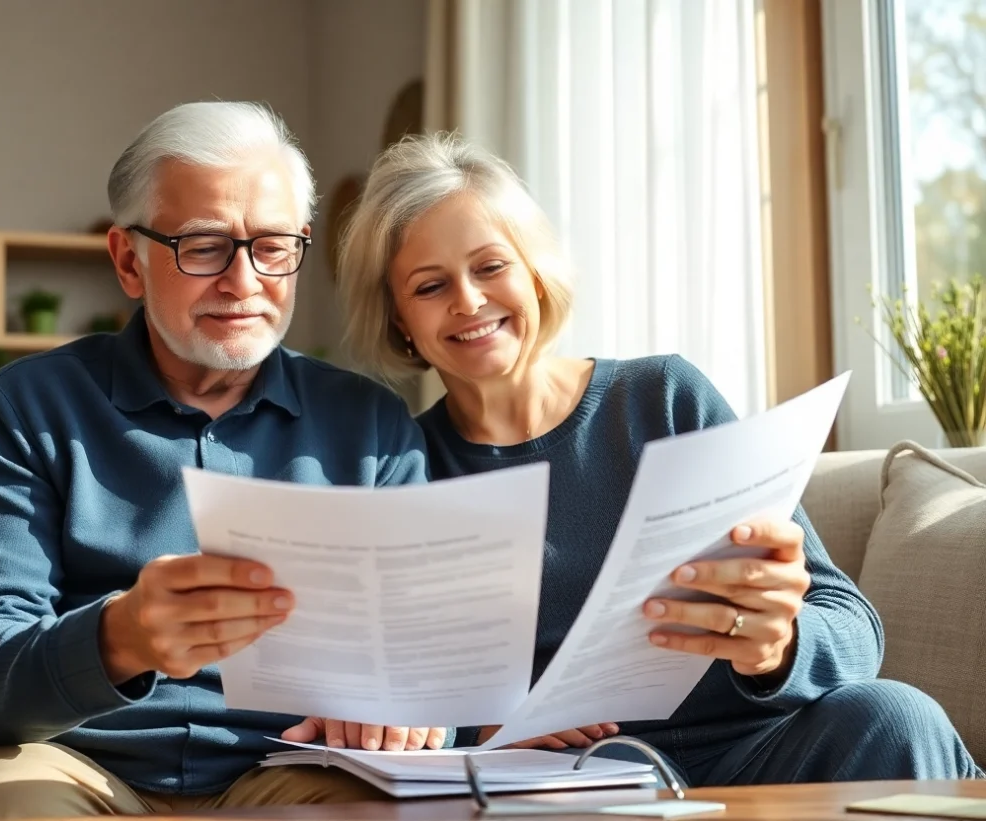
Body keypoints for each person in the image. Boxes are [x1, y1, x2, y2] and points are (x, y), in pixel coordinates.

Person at [336, 131, 985, 785]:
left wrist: (781, 646)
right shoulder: (403, 466)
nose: (469, 300)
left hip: (763, 743)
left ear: (534, 273)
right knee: (607, 779)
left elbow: (850, 625)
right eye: (429, 285)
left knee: (897, 714)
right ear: (399, 319)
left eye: (490, 266)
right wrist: (479, 725)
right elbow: (395, 684)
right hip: (580, 773)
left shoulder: (664, 400)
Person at [0, 101, 449, 821]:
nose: (243, 282)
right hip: (77, 762)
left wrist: (410, 706)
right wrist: (120, 636)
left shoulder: (372, 425)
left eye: (272, 245)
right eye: (203, 246)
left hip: (290, 764)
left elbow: (429, 655)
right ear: (127, 260)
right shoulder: (23, 410)